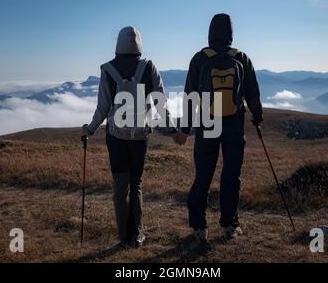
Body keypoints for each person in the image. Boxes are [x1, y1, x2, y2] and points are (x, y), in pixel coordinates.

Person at [82, 26, 178, 248]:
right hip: (139, 137)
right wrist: (172, 129)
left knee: (119, 187)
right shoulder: (148, 67)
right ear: (139, 44)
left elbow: (103, 106)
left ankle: (123, 236)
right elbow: (159, 102)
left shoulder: (108, 69)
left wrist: (90, 129)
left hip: (115, 137)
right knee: (136, 185)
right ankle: (137, 235)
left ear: (118, 44)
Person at [177, 14, 263, 243]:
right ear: (231, 33)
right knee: (232, 176)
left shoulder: (200, 58)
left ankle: (198, 227)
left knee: (203, 175)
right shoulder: (242, 58)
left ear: (210, 32)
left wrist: (185, 129)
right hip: (234, 123)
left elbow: (190, 96)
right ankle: (229, 225)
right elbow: (252, 91)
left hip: (208, 122)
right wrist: (258, 116)